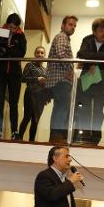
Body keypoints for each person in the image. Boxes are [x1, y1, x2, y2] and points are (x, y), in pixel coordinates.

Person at [74, 18, 104, 145]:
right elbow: (81, 54)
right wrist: (103, 56)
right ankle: (85, 135)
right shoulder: (87, 39)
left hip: (102, 82)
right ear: (94, 31)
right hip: (88, 79)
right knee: (85, 110)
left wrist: (94, 62)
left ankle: (96, 137)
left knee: (99, 111)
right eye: (101, 30)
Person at [47, 15, 78, 143]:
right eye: (70, 24)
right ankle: (57, 137)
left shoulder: (64, 38)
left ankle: (55, 137)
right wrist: (69, 70)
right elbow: (61, 54)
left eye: (74, 26)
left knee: (59, 108)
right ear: (63, 25)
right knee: (62, 109)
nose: (73, 27)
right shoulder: (62, 37)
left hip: (58, 80)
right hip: (60, 80)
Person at [18, 45, 50, 141]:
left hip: (41, 97)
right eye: (38, 52)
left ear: (44, 55)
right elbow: (22, 78)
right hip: (30, 94)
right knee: (27, 117)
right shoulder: (29, 65)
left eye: (42, 53)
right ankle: (19, 138)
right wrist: (37, 79)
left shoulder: (46, 70)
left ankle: (31, 141)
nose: (40, 54)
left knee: (35, 120)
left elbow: (48, 85)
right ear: (35, 54)